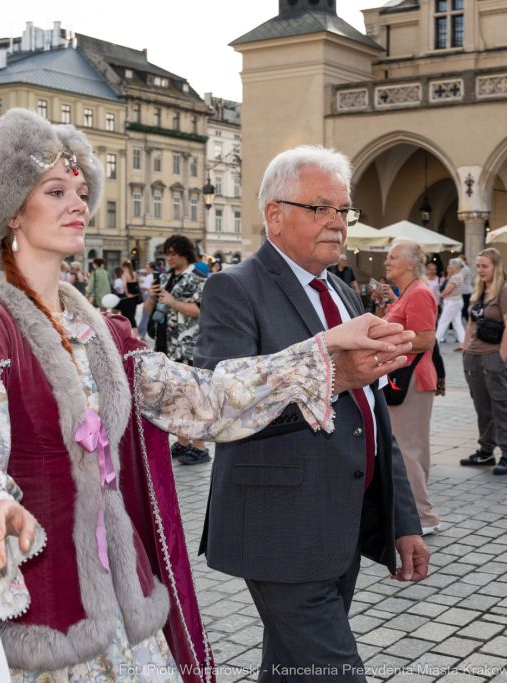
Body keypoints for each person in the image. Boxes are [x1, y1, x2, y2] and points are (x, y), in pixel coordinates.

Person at [0, 108, 411, 683]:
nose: (79, 205)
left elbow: (203, 400)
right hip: (38, 590)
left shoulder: (105, 333)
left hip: (122, 588)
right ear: (12, 211)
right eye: (56, 191)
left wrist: (323, 356)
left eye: (82, 191)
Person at [195, 145, 429, 682]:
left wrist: (403, 520)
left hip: (339, 525)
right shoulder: (235, 289)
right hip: (280, 530)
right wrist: (334, 377)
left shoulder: (344, 293)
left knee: (292, 671)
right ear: (274, 214)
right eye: (320, 208)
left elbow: (373, 417)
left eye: (343, 211)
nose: (337, 224)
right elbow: (221, 409)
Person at [375, 239, 441, 534]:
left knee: (409, 448)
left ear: (411, 263)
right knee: (405, 446)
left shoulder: (419, 293)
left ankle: (424, 518)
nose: (386, 262)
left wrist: (386, 344)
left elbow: (426, 339)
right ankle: (413, 513)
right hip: (403, 377)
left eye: (392, 257)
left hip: (413, 378)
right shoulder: (407, 294)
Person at [144, 235, 210, 465]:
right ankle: (182, 443)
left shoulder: (197, 278)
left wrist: (173, 302)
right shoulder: (165, 277)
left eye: (173, 253)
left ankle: (200, 447)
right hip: (165, 344)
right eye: (167, 254)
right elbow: (149, 310)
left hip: (187, 346)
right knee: (177, 397)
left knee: (193, 396)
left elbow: (203, 311)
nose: (169, 258)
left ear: (184, 253)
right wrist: (152, 296)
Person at [460, 248, 507, 475]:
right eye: (478, 266)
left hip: (495, 356)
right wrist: (466, 350)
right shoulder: (479, 291)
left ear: (496, 266)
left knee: (501, 406)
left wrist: (501, 356)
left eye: (485, 266)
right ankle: (486, 452)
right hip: (473, 358)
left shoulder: (506, 291)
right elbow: (470, 323)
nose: (480, 270)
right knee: (483, 408)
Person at [435, 258, 466, 346]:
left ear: (455, 267)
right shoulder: (458, 276)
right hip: (456, 301)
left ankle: (434, 344)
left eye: (450, 265)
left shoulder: (455, 277)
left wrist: (440, 294)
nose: (449, 266)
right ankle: (463, 343)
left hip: (452, 302)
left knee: (442, 322)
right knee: (457, 323)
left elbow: (446, 291)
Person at [114, 259, 141, 336]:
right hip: (134, 298)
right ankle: (136, 335)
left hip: (127, 299)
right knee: (132, 317)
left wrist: (127, 293)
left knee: (125, 317)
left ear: (125, 267)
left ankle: (126, 335)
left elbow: (124, 285)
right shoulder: (134, 274)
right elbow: (137, 286)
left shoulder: (124, 275)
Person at [138, 261, 155, 338]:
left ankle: (140, 332)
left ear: (151, 268)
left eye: (147, 267)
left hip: (148, 296)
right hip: (149, 295)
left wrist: (141, 287)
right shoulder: (152, 276)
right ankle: (142, 332)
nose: (146, 269)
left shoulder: (149, 276)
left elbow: (148, 288)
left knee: (145, 315)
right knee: (146, 315)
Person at [459, 253, 474, 323]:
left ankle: (470, 323)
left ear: (465, 261)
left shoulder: (465, 269)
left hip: (465, 292)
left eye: (461, 260)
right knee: (463, 310)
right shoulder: (463, 269)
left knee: (464, 310)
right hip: (464, 291)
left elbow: (460, 278)